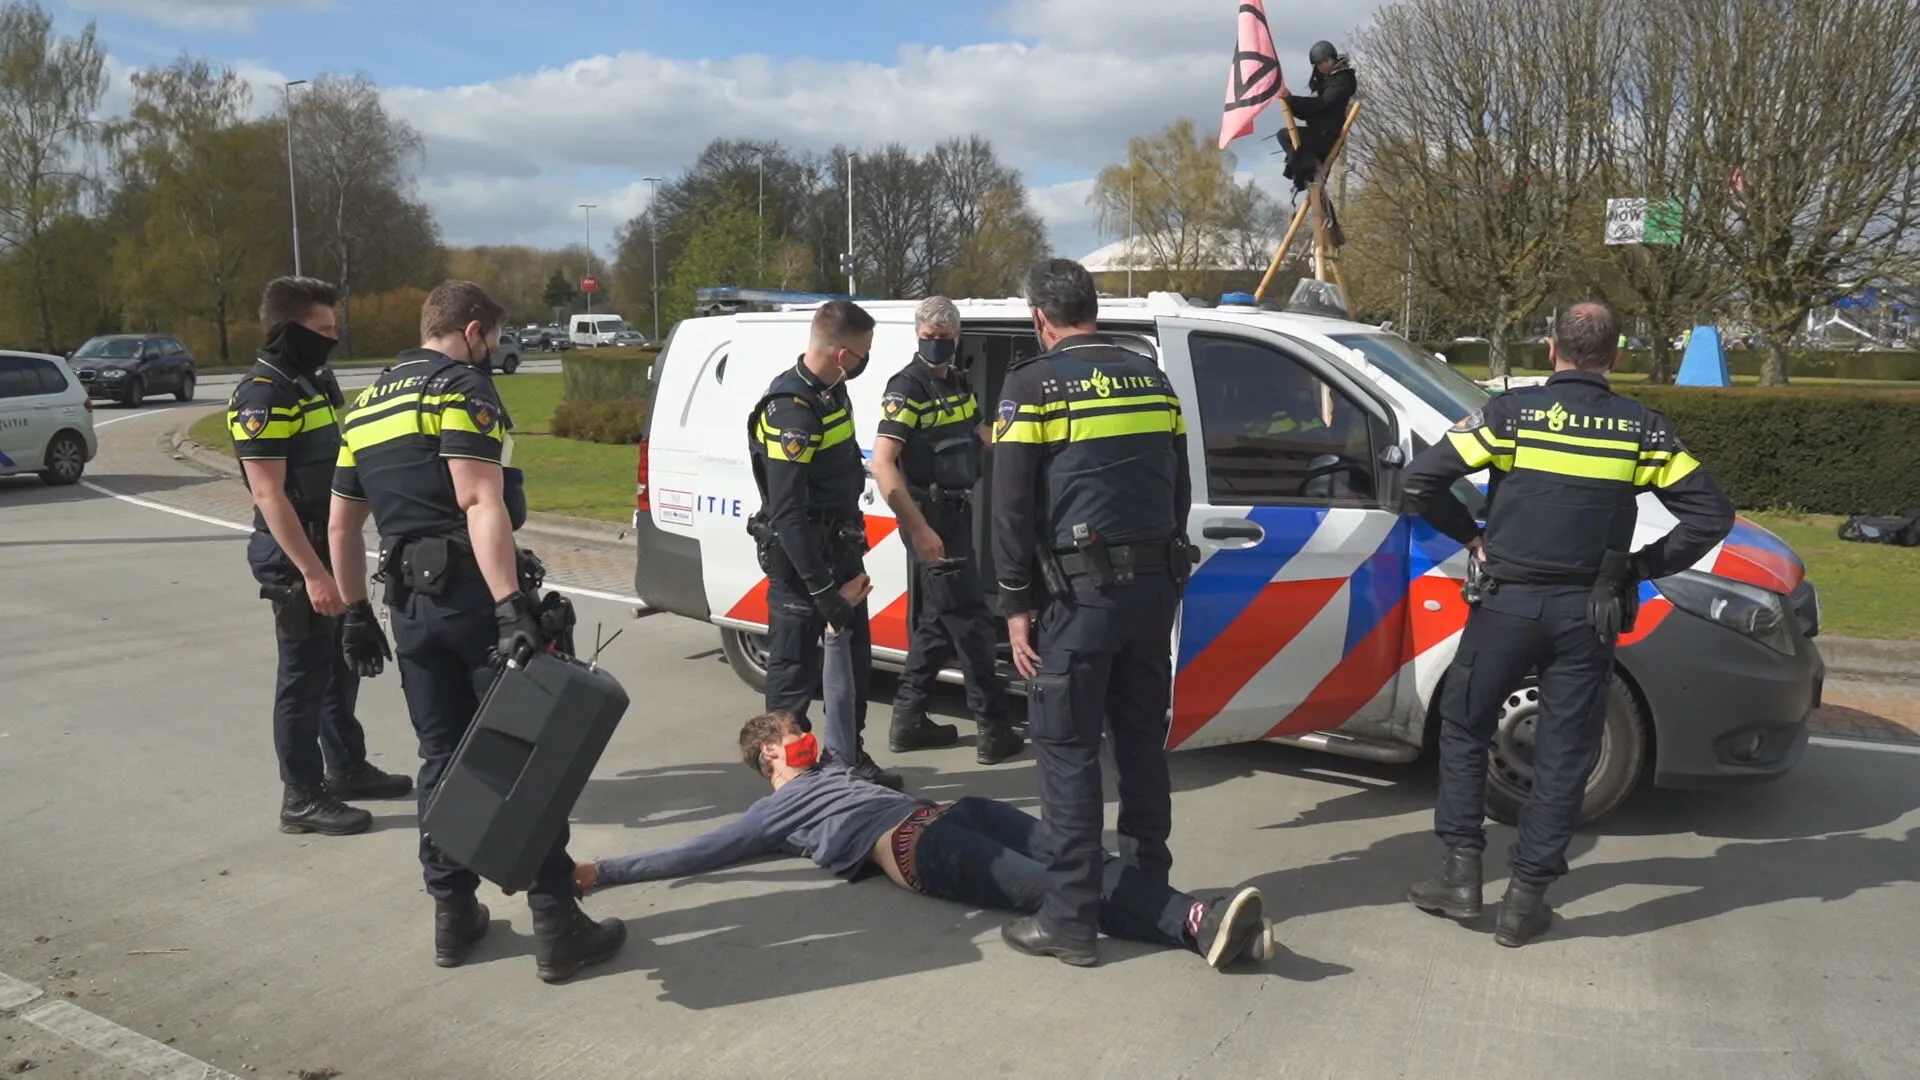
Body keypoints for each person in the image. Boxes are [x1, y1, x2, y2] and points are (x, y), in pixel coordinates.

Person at [575, 581, 1274, 972]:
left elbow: (842, 699)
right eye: (794, 737)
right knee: (1057, 890)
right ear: (769, 758)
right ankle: (1196, 921)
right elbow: (698, 852)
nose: (808, 740)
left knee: (1079, 859)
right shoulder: (779, 813)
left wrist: (835, 631)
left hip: (957, 812)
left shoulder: (835, 764)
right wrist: (604, 872)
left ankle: (1206, 917)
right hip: (923, 850)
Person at [1399, 301, 1734, 947]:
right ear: (1615, 356)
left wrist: (1471, 536)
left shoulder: (1509, 416)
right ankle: (1525, 901)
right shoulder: (1641, 430)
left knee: (1465, 728)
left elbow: (1421, 481)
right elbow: (1710, 516)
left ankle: (1459, 875)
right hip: (1589, 611)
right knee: (1565, 752)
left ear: (1552, 349)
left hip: (1507, 603)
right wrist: (1637, 568)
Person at [327, 280, 625, 983]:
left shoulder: (365, 406)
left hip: (408, 605)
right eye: (492, 337)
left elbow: (341, 525)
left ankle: (453, 915)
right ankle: (556, 923)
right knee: (521, 757)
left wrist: (354, 613)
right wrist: (510, 605)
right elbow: (480, 500)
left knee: (440, 759)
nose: (493, 350)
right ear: (471, 331)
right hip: (473, 599)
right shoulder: (460, 389)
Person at [989, 258, 1195, 967]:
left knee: (1069, 754)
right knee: (1140, 744)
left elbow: (1010, 507)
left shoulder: (1032, 386)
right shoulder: (1154, 379)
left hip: (1078, 601)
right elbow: (1178, 487)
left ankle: (1070, 920)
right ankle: (1146, 892)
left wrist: (1015, 603)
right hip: (1153, 593)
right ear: (1093, 310)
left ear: (1039, 319)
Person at [227, 276, 412, 838]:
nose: (333, 337)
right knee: (303, 677)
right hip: (294, 556)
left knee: (339, 668)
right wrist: (312, 573)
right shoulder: (262, 396)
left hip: (327, 544)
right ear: (288, 329)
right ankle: (301, 796)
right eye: (323, 328)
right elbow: (268, 495)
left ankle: (346, 768)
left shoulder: (314, 380)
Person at [746, 300, 902, 791]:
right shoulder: (791, 409)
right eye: (863, 352)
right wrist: (822, 592)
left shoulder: (832, 392)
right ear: (840, 353)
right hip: (802, 568)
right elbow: (788, 511)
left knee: (853, 668)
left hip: (841, 552)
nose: (865, 360)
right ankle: (790, 785)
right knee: (792, 681)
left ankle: (849, 761)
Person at [869, 296, 1022, 765]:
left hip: (955, 513)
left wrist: (1026, 442)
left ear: (957, 338)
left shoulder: (957, 382)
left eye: (944, 338)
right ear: (918, 335)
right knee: (971, 621)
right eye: (929, 337)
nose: (936, 344)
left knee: (938, 620)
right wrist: (919, 530)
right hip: (927, 516)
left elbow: (981, 433)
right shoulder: (907, 387)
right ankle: (993, 727)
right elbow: (883, 462)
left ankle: (908, 720)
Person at [1279, 40, 1357, 193]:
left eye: (1326, 61)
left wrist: (1292, 100)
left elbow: (1322, 104)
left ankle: (1307, 168)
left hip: (1327, 135)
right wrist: (1291, 103)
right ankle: (1305, 169)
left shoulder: (1341, 81)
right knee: (1286, 137)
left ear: (1333, 58)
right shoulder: (1322, 83)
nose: (1323, 65)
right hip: (1318, 133)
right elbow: (1309, 111)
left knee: (1285, 135)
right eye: (1319, 63)